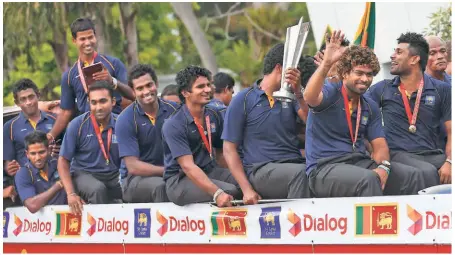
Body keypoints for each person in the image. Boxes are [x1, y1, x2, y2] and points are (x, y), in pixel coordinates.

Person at [304, 30, 428, 197]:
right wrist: (326, 64)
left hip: (359, 163)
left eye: (369, 74)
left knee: (412, 176)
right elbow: (309, 97)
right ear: (345, 73)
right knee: (369, 179)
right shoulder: (330, 91)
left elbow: (380, 146)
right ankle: (372, 224)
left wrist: (383, 167)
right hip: (324, 168)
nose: (364, 79)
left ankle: (411, 223)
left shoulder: (369, 105)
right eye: (359, 73)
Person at [222, 43, 310, 205]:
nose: (298, 75)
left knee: (317, 173)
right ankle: (298, 225)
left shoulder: (292, 96)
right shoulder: (243, 99)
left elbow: (310, 123)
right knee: (301, 173)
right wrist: (246, 189)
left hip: (293, 165)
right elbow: (229, 149)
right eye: (294, 70)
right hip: (260, 170)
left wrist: (298, 92)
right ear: (279, 68)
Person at [365, 32, 450, 185]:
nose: (392, 56)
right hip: (399, 155)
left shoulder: (442, 89)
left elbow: (452, 132)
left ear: (414, 59)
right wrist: (373, 150)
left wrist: (450, 161)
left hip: (432, 153)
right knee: (427, 172)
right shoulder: (382, 89)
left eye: (399, 52)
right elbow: (358, 115)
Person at [162, 65, 241, 207]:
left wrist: (241, 178)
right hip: (180, 180)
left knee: (244, 182)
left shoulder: (214, 114)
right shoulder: (174, 124)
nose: (208, 90)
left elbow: (221, 153)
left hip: (209, 170)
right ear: (185, 92)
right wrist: (217, 193)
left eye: (208, 85)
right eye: (200, 87)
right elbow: (188, 167)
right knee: (230, 190)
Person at [47, 17, 134, 144]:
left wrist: (111, 80)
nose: (87, 42)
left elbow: (131, 95)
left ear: (95, 36)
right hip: (87, 130)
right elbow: (66, 112)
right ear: (74, 40)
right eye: (82, 39)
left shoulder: (113, 63)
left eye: (90, 37)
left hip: (114, 126)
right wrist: (50, 136)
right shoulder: (69, 75)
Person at [116, 64, 179, 203]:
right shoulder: (125, 119)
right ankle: (164, 225)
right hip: (134, 180)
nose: (146, 91)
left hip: (171, 173)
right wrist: (168, 171)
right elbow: (133, 166)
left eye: (149, 85)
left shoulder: (175, 110)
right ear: (133, 91)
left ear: (156, 84)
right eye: (140, 88)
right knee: (161, 187)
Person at [58, 81, 122, 215]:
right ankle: (101, 232)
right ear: (89, 102)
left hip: (114, 175)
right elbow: (63, 161)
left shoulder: (122, 124)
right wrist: (71, 194)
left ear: (113, 102)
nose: (98, 107)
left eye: (103, 101)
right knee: (97, 189)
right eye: (94, 102)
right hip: (84, 174)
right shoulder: (76, 125)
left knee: (129, 187)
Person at [4, 79, 60, 183]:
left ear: (38, 96)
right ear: (17, 102)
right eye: (23, 99)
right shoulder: (9, 127)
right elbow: (7, 163)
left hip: (56, 176)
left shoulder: (56, 120)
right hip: (28, 181)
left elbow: (68, 149)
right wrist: (9, 168)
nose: (28, 102)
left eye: (31, 97)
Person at [15, 131, 67, 213]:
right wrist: (59, 185)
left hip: (66, 218)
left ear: (49, 150)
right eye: (33, 153)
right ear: (27, 154)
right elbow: (32, 206)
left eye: (41, 152)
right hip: (39, 224)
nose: (38, 157)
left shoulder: (58, 164)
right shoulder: (23, 173)